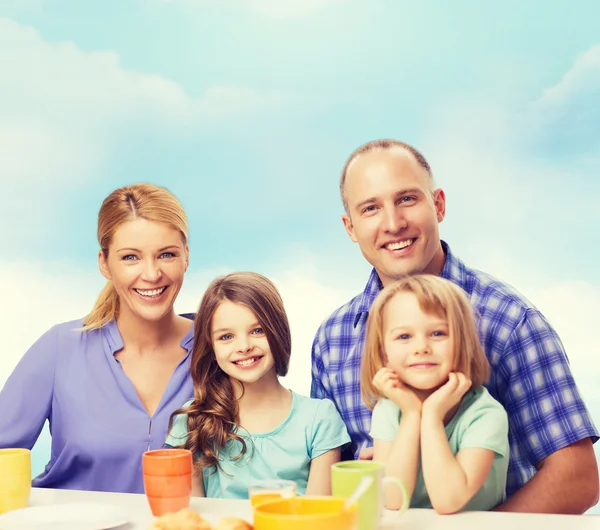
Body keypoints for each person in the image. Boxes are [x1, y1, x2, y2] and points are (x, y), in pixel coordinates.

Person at [311, 139, 599, 513]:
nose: (393, 224)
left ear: (439, 205)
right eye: (371, 208)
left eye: (407, 199)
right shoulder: (332, 340)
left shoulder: (509, 321)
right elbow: (326, 476)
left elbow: (576, 478)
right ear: (350, 227)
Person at [0, 183, 195, 493]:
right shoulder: (60, 348)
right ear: (104, 263)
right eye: (130, 258)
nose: (151, 273)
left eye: (166, 255)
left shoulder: (219, 350)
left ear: (186, 256)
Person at [165, 272, 350, 499]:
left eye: (257, 331)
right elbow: (190, 518)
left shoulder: (319, 419)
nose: (243, 346)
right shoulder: (192, 421)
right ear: (210, 348)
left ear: (278, 332)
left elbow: (318, 516)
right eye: (226, 337)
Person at [362, 274, 509, 513]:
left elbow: (448, 501)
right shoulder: (390, 409)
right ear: (383, 352)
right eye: (404, 336)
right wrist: (411, 414)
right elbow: (392, 499)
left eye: (438, 333)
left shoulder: (485, 414)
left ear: (463, 342)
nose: (421, 348)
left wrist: (430, 416)